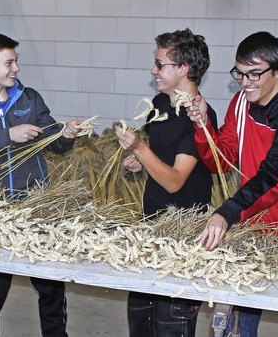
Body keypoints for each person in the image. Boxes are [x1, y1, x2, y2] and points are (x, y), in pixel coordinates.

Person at [0, 33, 83, 337]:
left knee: (50, 287)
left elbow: (54, 142)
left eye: (16, 61)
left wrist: (67, 134)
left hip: (35, 206)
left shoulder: (29, 98)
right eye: (9, 62)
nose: (16, 69)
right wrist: (9, 135)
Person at [185, 31, 278, 337]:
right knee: (242, 325)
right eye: (240, 74)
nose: (245, 83)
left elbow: (274, 176)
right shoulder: (241, 103)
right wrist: (204, 125)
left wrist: (228, 211)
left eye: (254, 74)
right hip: (254, 224)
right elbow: (223, 157)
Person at [115, 28, 217, 337]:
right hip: (152, 226)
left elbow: (175, 181)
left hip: (183, 234)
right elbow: (160, 159)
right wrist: (139, 161)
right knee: (141, 321)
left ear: (184, 69)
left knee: (172, 323)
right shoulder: (159, 103)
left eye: (160, 64)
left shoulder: (198, 118)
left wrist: (140, 149)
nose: (153, 70)